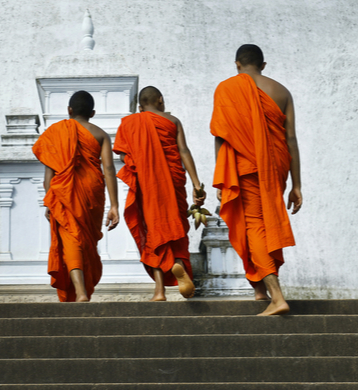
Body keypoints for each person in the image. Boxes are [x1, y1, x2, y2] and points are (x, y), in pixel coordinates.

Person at [211, 44, 303, 316]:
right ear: (263, 65)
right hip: (275, 165)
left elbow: (221, 134)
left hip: (245, 166)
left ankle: (276, 296)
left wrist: (221, 175)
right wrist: (297, 184)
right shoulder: (282, 91)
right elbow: (291, 139)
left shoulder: (227, 88)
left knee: (254, 227)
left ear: (237, 64)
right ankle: (260, 289)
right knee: (266, 224)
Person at [113, 86, 205, 301]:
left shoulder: (130, 123)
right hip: (173, 182)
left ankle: (159, 291)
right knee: (175, 228)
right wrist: (196, 184)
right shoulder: (172, 121)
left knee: (152, 231)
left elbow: (124, 158)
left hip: (147, 185)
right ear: (161, 100)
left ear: (139, 107)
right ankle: (179, 263)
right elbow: (183, 151)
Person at [32, 90, 119, 302]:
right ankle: (82, 291)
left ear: (69, 110)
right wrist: (114, 206)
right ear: (93, 113)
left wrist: (51, 202)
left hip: (64, 193)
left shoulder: (56, 132)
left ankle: (80, 292)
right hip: (92, 192)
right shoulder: (100, 134)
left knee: (71, 238)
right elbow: (108, 169)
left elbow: (49, 176)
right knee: (85, 240)